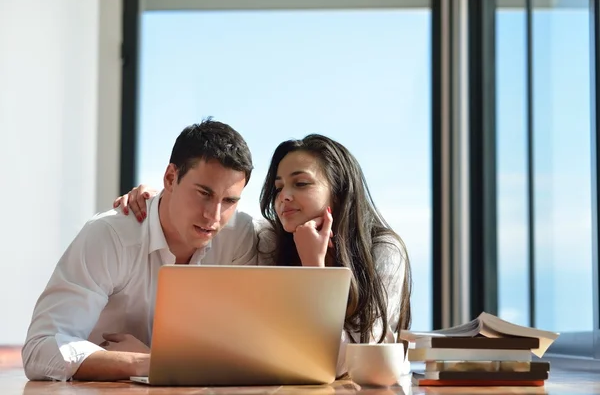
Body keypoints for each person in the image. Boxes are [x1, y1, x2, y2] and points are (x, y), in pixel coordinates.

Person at [116, 134, 413, 376]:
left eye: (301, 183)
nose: (284, 196)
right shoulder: (271, 241)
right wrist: (159, 197)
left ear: (338, 191)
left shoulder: (384, 251)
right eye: (279, 186)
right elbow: (249, 349)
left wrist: (314, 268)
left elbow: (344, 364)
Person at [22, 119, 258, 382]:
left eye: (229, 201)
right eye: (203, 193)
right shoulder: (110, 236)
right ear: (170, 178)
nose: (213, 216)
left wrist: (155, 359)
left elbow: (242, 351)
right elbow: (39, 351)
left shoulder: (240, 236)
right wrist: (143, 363)